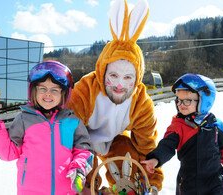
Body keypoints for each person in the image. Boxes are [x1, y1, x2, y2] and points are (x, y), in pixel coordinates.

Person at [67, 0, 163, 193]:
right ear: (103, 72)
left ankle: (128, 189)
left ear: (137, 79)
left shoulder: (140, 102)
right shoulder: (87, 89)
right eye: (113, 76)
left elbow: (147, 144)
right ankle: (87, 188)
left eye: (127, 77)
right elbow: (67, 129)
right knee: (84, 172)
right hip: (82, 142)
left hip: (113, 141)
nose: (120, 85)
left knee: (126, 150)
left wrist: (152, 181)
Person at [0, 60, 94, 195]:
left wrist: (78, 167)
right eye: (43, 89)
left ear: (64, 94)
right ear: (33, 91)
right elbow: (8, 153)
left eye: (54, 90)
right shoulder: (24, 119)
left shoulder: (72, 122)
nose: (48, 94)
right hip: (30, 191)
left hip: (65, 191)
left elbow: (84, 151)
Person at [141, 73, 223, 195]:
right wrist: (155, 158)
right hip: (189, 183)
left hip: (215, 181)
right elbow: (167, 146)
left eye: (187, 101)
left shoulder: (215, 126)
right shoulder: (178, 126)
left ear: (204, 100)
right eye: (178, 100)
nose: (181, 104)